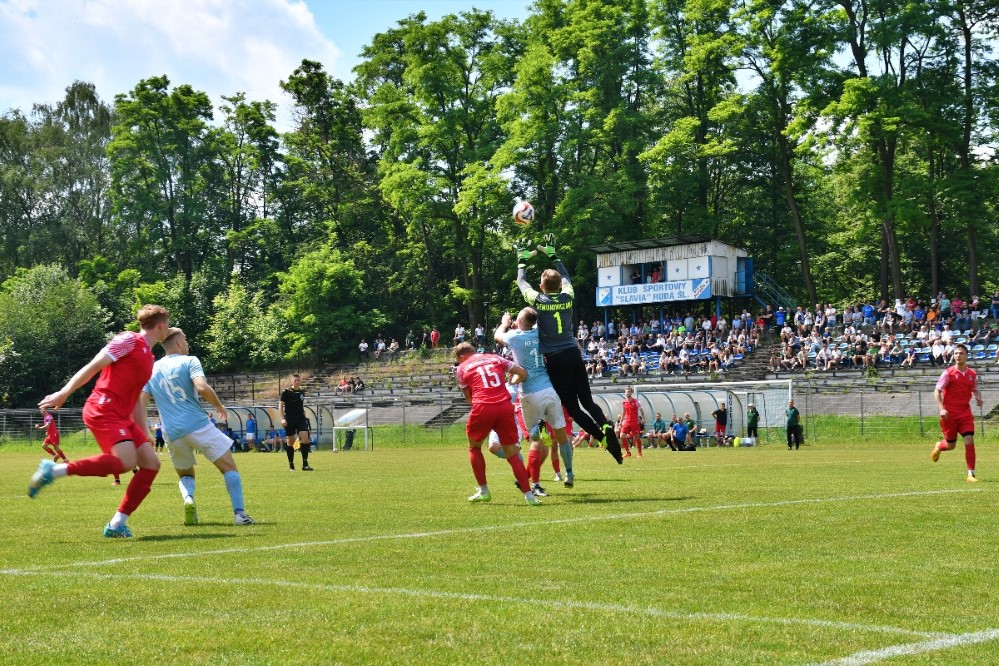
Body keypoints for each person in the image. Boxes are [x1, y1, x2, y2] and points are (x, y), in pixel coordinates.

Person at [28, 304, 171, 539]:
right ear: (161, 324)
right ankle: (54, 470)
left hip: (122, 416)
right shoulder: (128, 340)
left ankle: (116, 525)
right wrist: (64, 392)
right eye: (168, 323)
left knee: (151, 464)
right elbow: (93, 366)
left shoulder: (149, 356)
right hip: (103, 408)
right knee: (125, 462)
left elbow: (135, 396)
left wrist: (143, 428)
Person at [513, 233, 622, 463]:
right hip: (574, 353)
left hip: (556, 359)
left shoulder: (539, 300)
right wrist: (553, 255)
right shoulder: (568, 296)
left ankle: (602, 439)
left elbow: (521, 283)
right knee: (588, 401)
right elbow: (566, 276)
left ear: (542, 286)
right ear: (559, 285)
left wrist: (522, 261)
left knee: (573, 408)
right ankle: (605, 424)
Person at [140, 327, 255, 526]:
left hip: (171, 431)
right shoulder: (190, 361)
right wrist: (219, 406)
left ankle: (189, 500)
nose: (187, 343)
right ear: (177, 343)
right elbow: (201, 387)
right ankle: (239, 514)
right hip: (197, 424)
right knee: (228, 466)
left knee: (185, 473)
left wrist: (145, 430)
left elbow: (140, 401)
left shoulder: (152, 369)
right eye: (185, 339)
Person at [495, 308, 576, 489]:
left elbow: (498, 335)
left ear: (520, 321)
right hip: (549, 389)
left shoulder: (515, 336)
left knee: (535, 440)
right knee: (562, 437)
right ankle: (569, 473)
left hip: (530, 391)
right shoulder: (542, 332)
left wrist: (505, 323)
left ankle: (533, 480)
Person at [454, 342, 538, 505]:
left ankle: (484, 491)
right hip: (505, 406)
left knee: (474, 447)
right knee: (512, 453)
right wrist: (514, 382)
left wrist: (479, 407)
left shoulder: (462, 367)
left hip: (483, 406)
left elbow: (468, 395)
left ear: (462, 357)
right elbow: (522, 373)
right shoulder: (495, 357)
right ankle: (529, 496)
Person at [930, 343, 983, 482]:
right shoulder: (948, 373)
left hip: (965, 413)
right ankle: (939, 446)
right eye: (956, 353)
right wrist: (941, 408)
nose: (958, 356)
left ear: (966, 356)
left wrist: (978, 398)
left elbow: (975, 389)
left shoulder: (972, 374)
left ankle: (971, 474)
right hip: (949, 415)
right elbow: (937, 391)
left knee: (969, 439)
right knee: (950, 445)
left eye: (961, 353)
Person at [280, 374, 313, 471]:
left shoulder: (302, 391)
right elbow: (280, 406)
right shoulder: (286, 392)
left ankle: (305, 464)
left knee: (305, 438)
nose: (297, 382)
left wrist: (303, 412)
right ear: (292, 381)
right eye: (295, 380)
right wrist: (282, 418)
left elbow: (300, 403)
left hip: (300, 418)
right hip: (289, 418)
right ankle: (291, 465)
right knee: (290, 441)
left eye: (298, 380)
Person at [618, 386, 643, 458]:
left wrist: (643, 418)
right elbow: (624, 412)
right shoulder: (624, 401)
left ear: (631, 392)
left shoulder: (636, 401)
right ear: (625, 393)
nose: (627, 393)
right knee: (622, 436)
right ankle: (628, 452)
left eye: (629, 391)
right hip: (626, 422)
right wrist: (621, 420)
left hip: (634, 422)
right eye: (626, 391)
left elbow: (641, 410)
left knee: (637, 437)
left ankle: (639, 453)